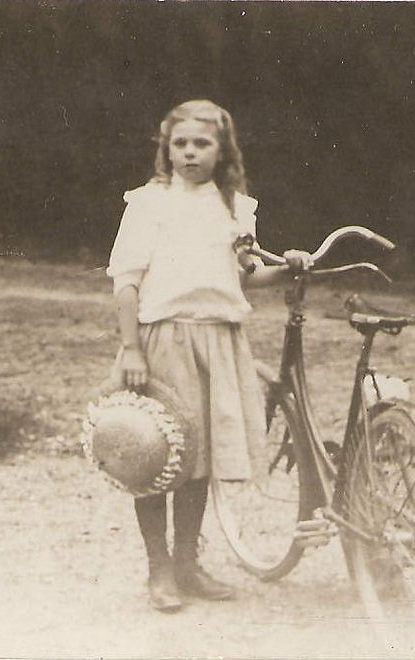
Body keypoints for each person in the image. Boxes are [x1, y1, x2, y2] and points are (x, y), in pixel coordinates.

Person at [106, 99, 311, 612]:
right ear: (166, 148)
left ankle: (187, 565)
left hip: (219, 342)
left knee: (198, 460)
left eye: (203, 144)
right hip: (163, 340)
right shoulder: (150, 203)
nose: (191, 153)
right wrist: (132, 348)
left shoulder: (235, 207)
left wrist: (287, 268)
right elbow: (126, 283)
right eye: (181, 144)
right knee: (155, 454)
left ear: (223, 150)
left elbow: (245, 274)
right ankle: (159, 570)